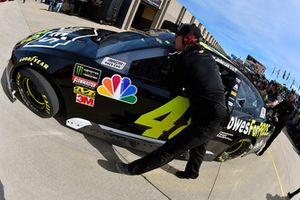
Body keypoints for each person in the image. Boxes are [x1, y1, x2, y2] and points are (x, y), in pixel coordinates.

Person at [115, 24, 227, 179]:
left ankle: (132, 169)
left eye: (177, 37)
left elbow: (173, 86)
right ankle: (192, 173)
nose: (174, 39)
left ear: (187, 39)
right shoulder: (205, 55)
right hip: (215, 113)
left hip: (208, 117)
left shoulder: (185, 58)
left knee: (172, 148)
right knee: (199, 148)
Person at [257, 91, 297, 156]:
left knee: (271, 138)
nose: (290, 97)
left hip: (280, 124)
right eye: (290, 96)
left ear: (294, 99)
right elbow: (277, 106)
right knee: (264, 131)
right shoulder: (285, 102)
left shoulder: (293, 108)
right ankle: (258, 147)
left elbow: (287, 117)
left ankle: (263, 150)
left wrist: (278, 119)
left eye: (292, 97)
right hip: (274, 118)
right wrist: (270, 108)